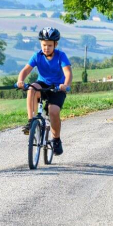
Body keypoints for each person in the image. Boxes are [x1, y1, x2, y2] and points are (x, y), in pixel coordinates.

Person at [16, 27, 72, 156]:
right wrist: (20, 81)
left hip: (58, 88)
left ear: (55, 45)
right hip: (43, 85)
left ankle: (56, 140)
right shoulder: (37, 55)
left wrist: (66, 84)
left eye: (49, 45)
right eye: (44, 45)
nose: (46, 48)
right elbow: (25, 70)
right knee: (32, 88)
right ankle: (31, 121)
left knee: (53, 112)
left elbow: (68, 72)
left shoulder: (61, 56)